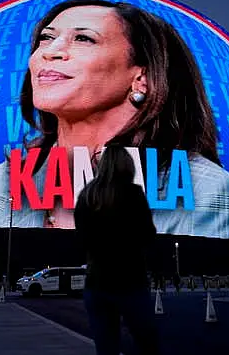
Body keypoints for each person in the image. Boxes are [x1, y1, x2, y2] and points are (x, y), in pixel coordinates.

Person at [0, 0, 229, 239]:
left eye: (84, 39)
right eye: (46, 38)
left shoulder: (207, 191)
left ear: (142, 78)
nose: (51, 52)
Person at [74, 145, 160, 355]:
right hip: (130, 280)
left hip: (97, 282)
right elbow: (147, 235)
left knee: (106, 348)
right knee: (146, 343)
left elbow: (82, 240)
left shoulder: (87, 195)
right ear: (126, 165)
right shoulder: (133, 194)